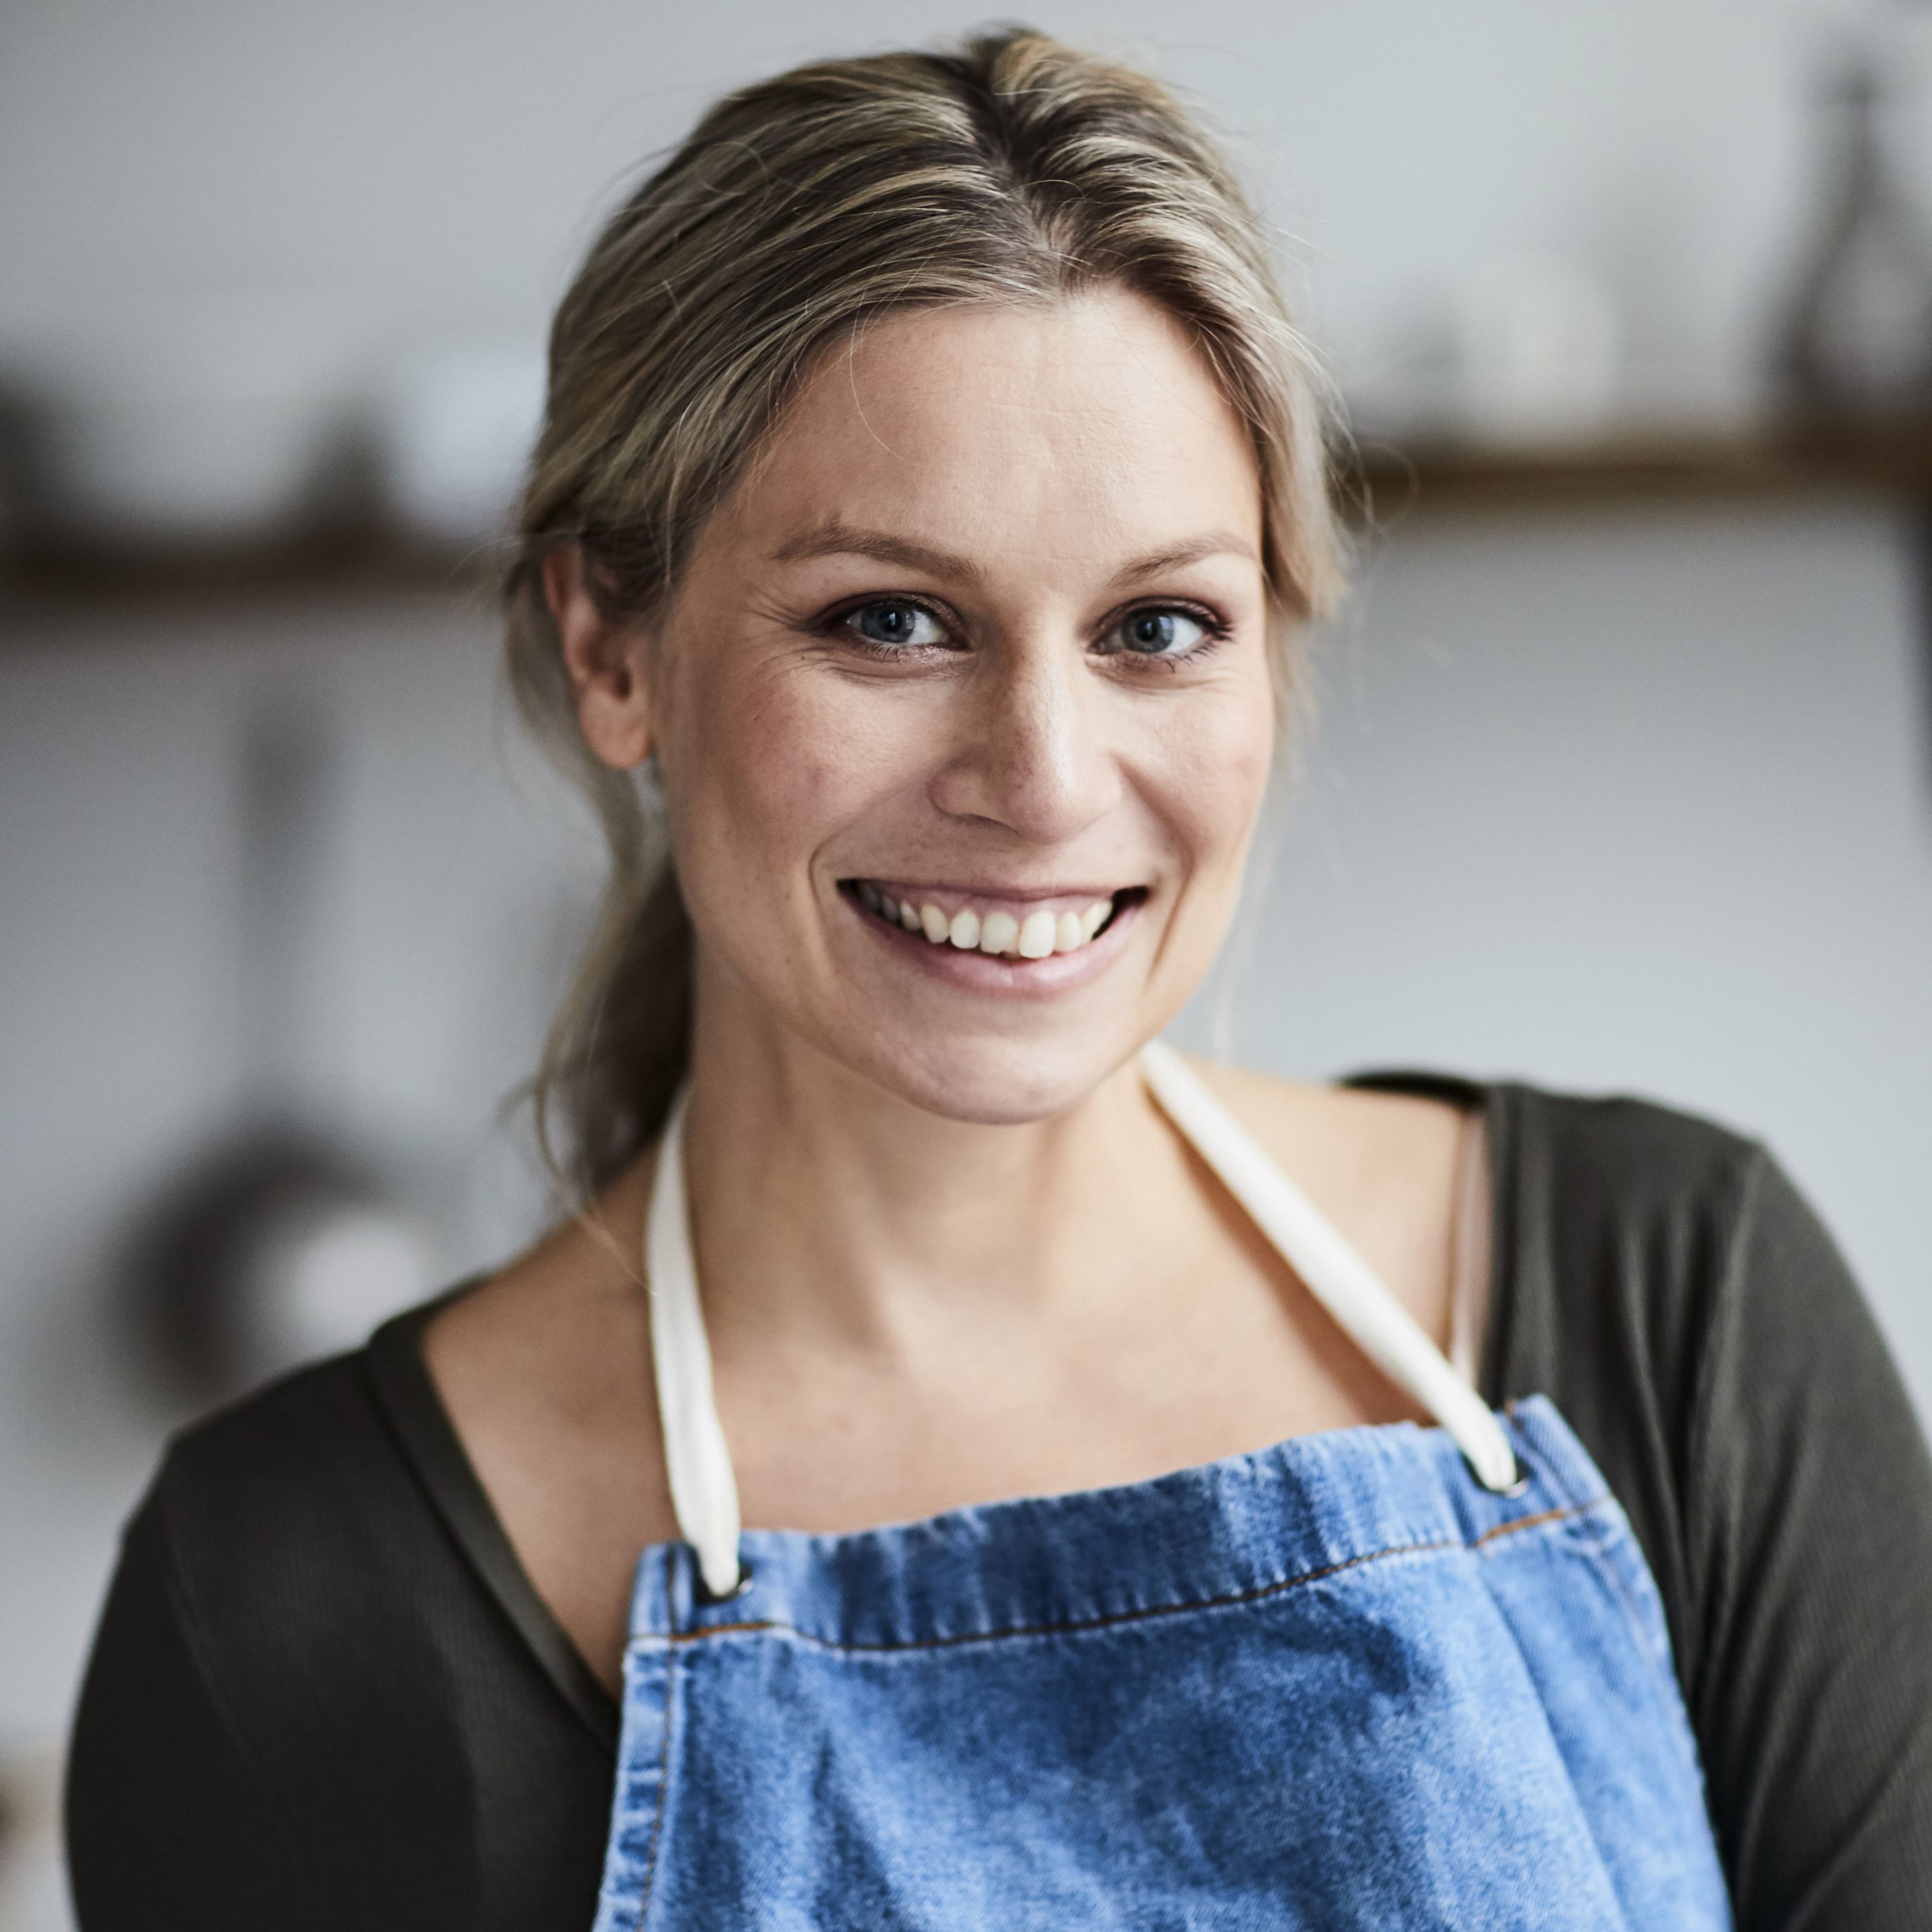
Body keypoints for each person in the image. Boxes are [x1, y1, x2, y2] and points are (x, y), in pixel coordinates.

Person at [65, 27, 1932, 1931]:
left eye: (1157, 624)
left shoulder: (1674, 1301)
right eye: (890, 619)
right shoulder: (294, 1603)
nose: (1041, 780)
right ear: (611, 647)